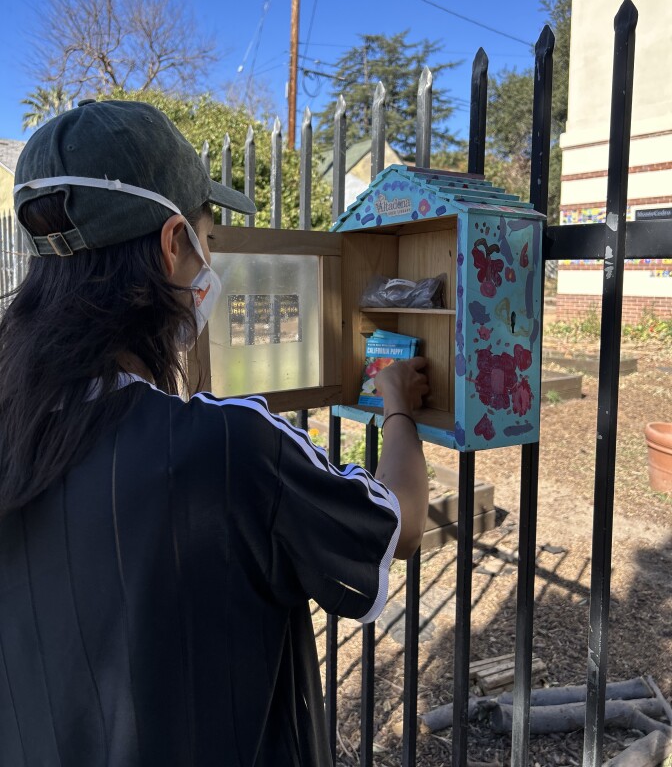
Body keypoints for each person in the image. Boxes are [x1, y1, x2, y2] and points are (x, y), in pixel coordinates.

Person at [0, 99, 429, 766]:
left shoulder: (16, 424)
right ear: (175, 244)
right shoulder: (228, 448)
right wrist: (398, 404)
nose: (211, 261)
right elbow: (400, 525)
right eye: (210, 235)